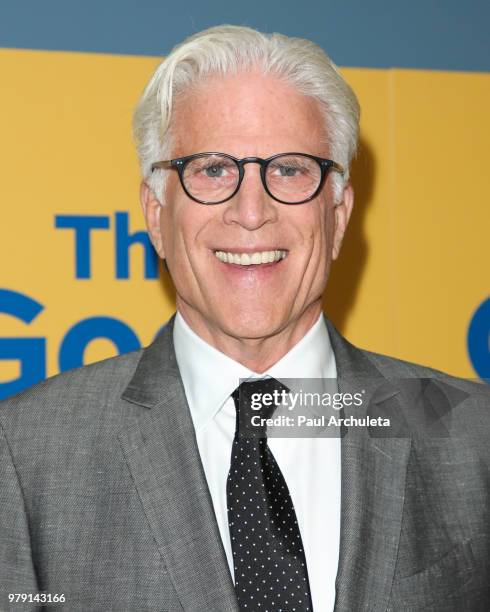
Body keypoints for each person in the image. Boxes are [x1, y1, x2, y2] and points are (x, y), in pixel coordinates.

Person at [1, 24, 489, 612]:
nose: (251, 212)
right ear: (156, 215)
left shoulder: (471, 434)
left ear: (337, 214)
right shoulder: (27, 455)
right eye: (212, 170)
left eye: (288, 169)